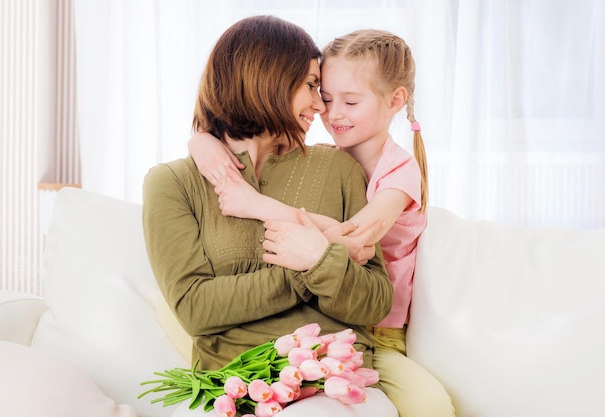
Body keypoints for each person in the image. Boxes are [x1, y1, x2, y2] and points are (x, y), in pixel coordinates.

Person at [188, 29, 455, 417]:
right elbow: (242, 134)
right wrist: (201, 140)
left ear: (395, 100)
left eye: (350, 101)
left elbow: (357, 239)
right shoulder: (331, 158)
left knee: (431, 405)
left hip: (379, 330)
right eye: (325, 98)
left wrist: (258, 205)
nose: (332, 113)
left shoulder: (399, 171)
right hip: (329, 324)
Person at [142, 16, 398, 417]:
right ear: (267, 79)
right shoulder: (173, 183)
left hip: (333, 384)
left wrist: (318, 257)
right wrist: (311, 264)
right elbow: (195, 309)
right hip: (228, 389)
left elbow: (375, 302)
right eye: (311, 86)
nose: (321, 105)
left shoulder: (338, 168)